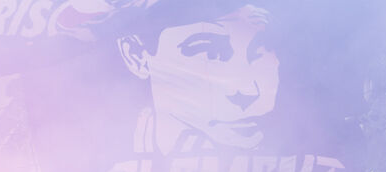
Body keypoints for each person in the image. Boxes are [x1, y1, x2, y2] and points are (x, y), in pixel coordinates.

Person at [115, 1, 279, 154]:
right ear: (135, 56)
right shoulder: (112, 157)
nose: (249, 91)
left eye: (259, 55)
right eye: (211, 54)